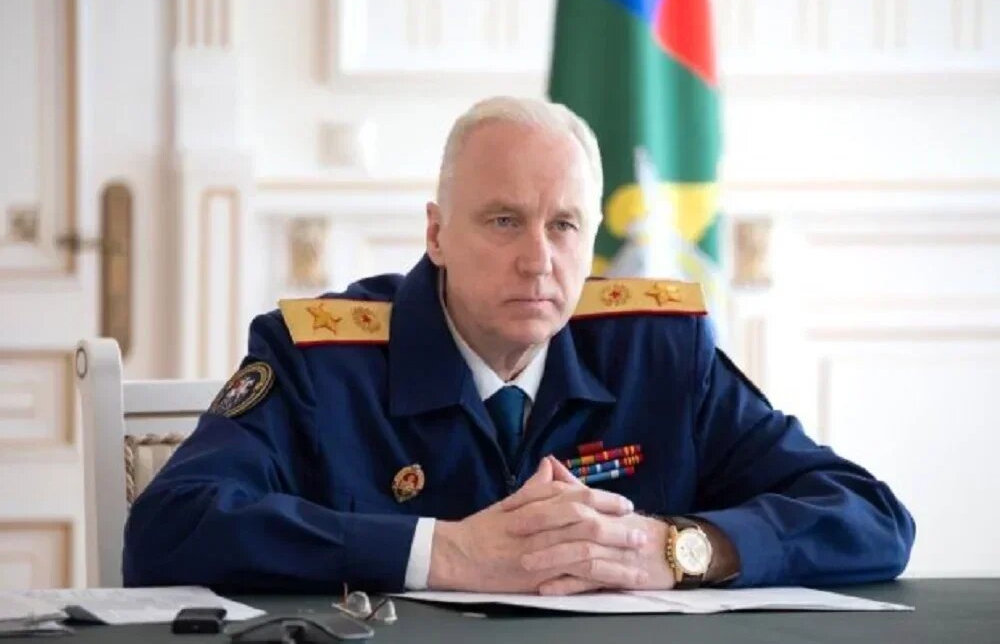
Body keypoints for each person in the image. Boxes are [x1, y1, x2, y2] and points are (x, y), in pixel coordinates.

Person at [123, 96, 914, 595]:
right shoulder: (319, 359)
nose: (539, 259)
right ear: (436, 233)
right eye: (504, 221)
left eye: (563, 225)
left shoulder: (660, 353)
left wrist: (679, 547)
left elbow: (871, 516)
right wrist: (443, 552)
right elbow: (168, 529)